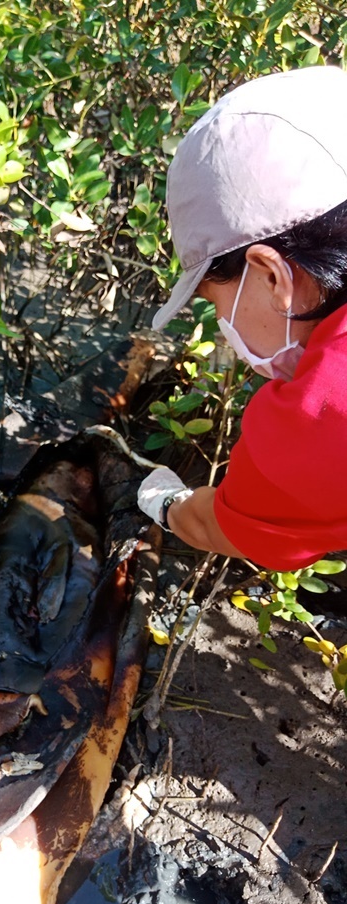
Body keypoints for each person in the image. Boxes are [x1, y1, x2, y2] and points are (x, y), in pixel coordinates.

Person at [138, 64, 347, 571]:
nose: (224, 330)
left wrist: (167, 503)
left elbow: (223, 525)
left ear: (272, 276)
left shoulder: (323, 407)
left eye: (216, 304)